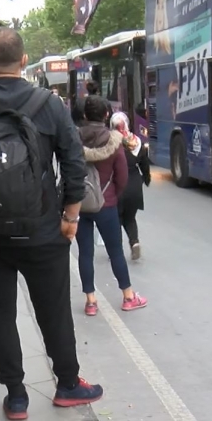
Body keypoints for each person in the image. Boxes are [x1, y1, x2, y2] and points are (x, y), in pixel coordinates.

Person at [0, 27, 103, 420]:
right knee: (53, 309)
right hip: (43, 229)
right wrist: (70, 218)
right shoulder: (48, 104)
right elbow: (73, 163)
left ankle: (16, 396)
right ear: (22, 61)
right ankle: (67, 384)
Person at [74, 96, 148, 317]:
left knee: (85, 253)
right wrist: (112, 194)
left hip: (80, 202)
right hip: (107, 204)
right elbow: (123, 177)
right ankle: (127, 296)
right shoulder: (114, 141)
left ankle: (90, 301)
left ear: (85, 115)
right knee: (115, 251)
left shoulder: (74, 138)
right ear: (106, 115)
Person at [110, 112, 151, 260]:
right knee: (130, 217)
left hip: (117, 185)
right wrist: (146, 179)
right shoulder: (136, 141)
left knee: (116, 219)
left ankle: (116, 250)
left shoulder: (110, 142)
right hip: (134, 184)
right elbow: (145, 164)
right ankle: (134, 242)